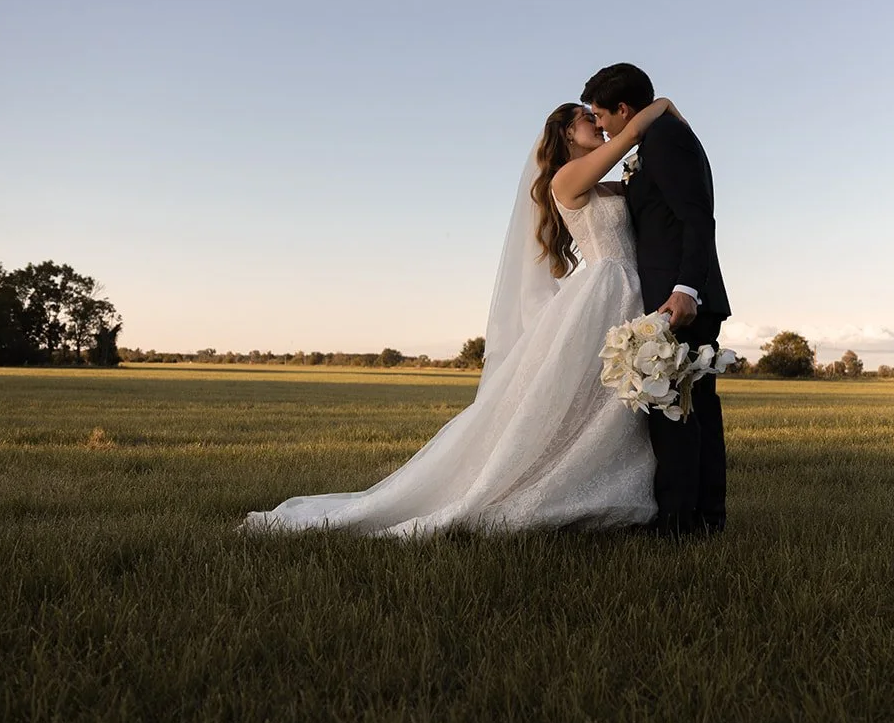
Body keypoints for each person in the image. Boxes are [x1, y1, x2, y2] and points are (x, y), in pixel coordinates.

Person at [242, 95, 681, 537]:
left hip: (628, 290)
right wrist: (664, 107)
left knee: (603, 401)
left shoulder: (605, 182)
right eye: (588, 119)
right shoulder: (568, 177)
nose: (598, 124)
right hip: (603, 291)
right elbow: (628, 136)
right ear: (566, 132)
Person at [582, 62, 730, 539]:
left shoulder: (664, 138)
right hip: (673, 295)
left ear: (624, 109)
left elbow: (696, 218)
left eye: (601, 115)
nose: (601, 125)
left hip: (681, 298)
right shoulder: (656, 137)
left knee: (678, 414)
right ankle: (702, 520)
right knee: (690, 410)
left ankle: (679, 525)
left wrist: (686, 289)